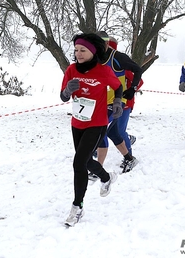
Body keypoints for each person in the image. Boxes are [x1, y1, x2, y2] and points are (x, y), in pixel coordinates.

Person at [60, 33, 123, 227]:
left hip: (97, 123)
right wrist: (68, 91)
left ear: (93, 51)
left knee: (79, 163)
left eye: (83, 50)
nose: (78, 54)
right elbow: (63, 97)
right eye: (76, 50)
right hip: (77, 123)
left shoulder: (103, 71)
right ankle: (106, 177)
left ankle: (77, 207)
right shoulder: (71, 70)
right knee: (86, 161)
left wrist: (118, 102)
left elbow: (118, 86)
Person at [94, 31, 142, 174]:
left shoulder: (117, 57)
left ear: (107, 44)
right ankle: (129, 158)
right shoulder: (93, 58)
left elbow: (138, 69)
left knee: (100, 130)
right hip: (99, 102)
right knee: (113, 133)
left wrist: (132, 89)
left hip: (116, 101)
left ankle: (97, 169)